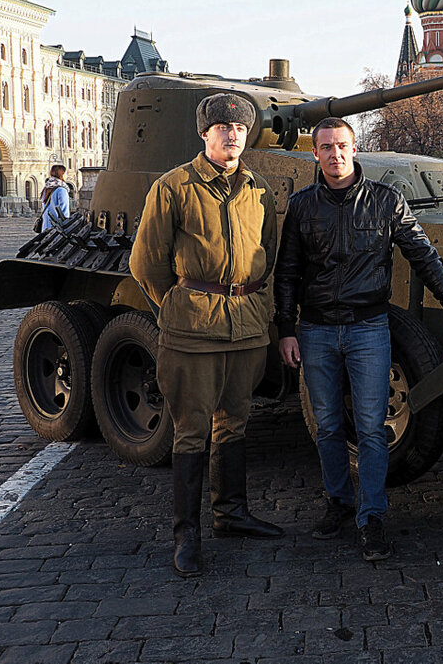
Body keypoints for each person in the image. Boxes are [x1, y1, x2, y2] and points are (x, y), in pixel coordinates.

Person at [275, 117, 443, 562]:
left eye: (342, 146)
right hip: (315, 329)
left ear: (356, 149)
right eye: (326, 147)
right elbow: (287, 272)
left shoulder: (386, 201)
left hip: (369, 328)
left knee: (371, 430)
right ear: (315, 154)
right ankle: (338, 501)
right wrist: (286, 329)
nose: (335, 154)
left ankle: (371, 516)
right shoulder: (301, 206)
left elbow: (423, 255)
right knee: (329, 426)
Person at [130, 94, 283, 580]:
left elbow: (269, 252)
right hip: (193, 329)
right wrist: (181, 305)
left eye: (239, 128)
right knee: (191, 429)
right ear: (204, 133)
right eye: (222, 127)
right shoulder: (173, 186)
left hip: (247, 326)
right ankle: (185, 535)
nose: (232, 134)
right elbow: (146, 264)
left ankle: (231, 514)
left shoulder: (259, 189)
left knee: (234, 422)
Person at [40, 165, 71, 231]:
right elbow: (64, 213)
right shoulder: (61, 190)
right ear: (62, 174)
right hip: (57, 230)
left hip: (46, 227)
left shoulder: (46, 188)